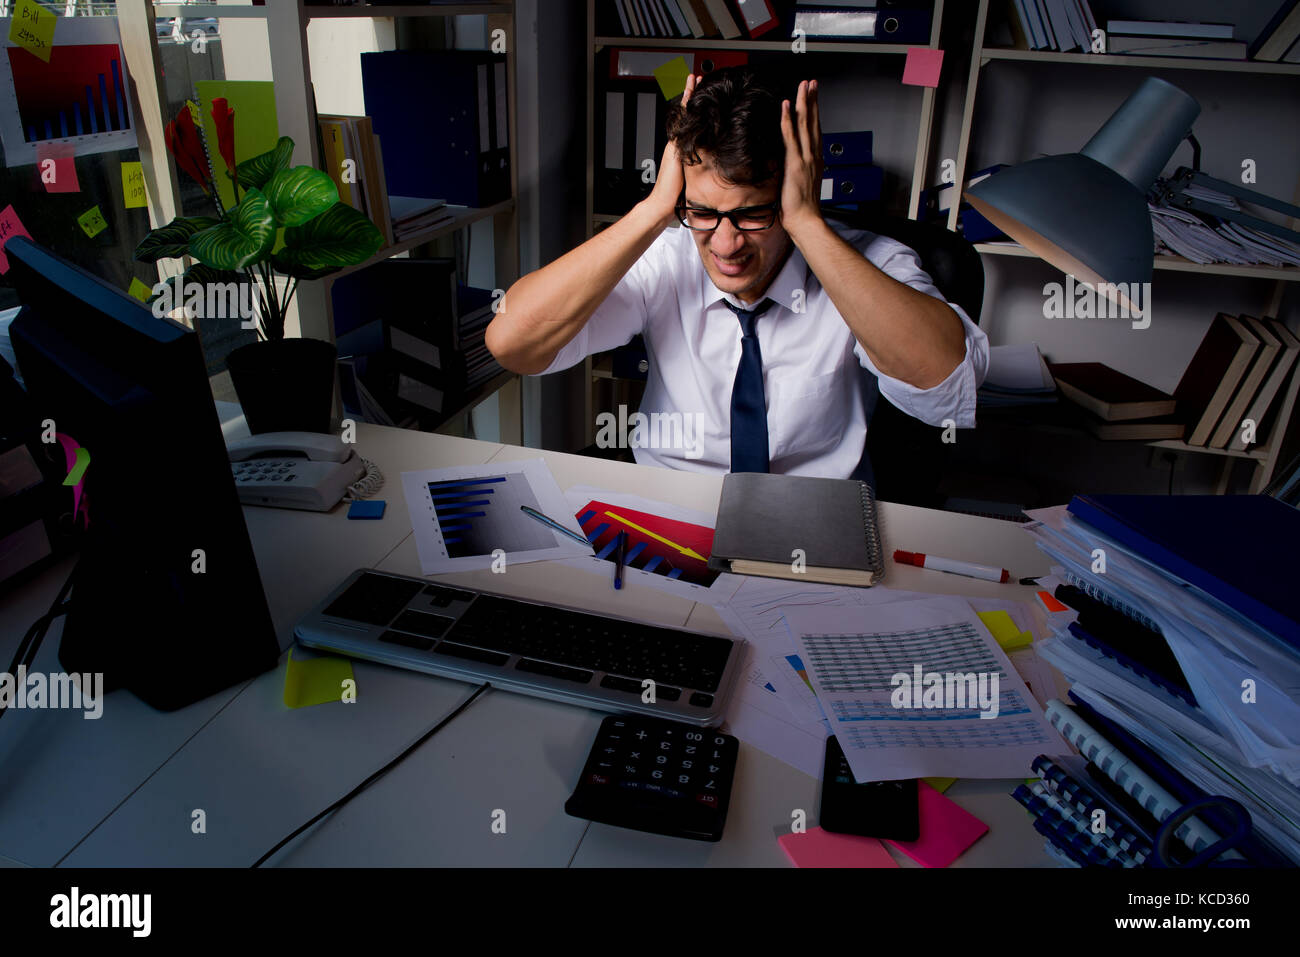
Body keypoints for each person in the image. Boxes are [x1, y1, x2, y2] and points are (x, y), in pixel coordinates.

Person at [485, 67, 988, 477]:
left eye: (753, 214)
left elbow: (945, 382)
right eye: (703, 213)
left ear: (796, 187)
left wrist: (808, 223)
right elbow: (513, 344)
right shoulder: (666, 252)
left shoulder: (873, 261)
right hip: (672, 505)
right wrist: (655, 210)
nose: (725, 245)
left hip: (812, 521)